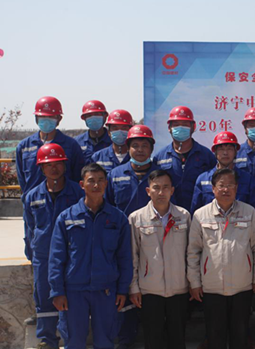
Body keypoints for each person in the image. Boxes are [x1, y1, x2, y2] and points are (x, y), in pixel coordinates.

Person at [48, 163, 132, 349]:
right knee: (74, 341)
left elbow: (125, 257)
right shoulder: (67, 218)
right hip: (74, 291)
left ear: (106, 184)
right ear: (82, 184)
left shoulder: (118, 218)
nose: (96, 185)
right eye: (91, 181)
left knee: (105, 341)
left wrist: (122, 289)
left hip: (106, 290)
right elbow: (56, 258)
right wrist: (57, 291)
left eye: (101, 180)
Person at [187, 168, 255, 349]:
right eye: (221, 185)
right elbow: (193, 252)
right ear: (213, 188)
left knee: (240, 336)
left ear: (236, 188)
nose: (226, 189)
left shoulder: (249, 212)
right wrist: (194, 282)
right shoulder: (200, 215)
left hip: (242, 285)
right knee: (215, 337)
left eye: (230, 185)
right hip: (211, 286)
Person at [23, 144, 84, 349]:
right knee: (44, 297)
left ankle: (72, 341)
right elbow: (30, 228)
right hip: (44, 256)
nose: (54, 168)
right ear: (41, 168)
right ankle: (47, 340)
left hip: (73, 256)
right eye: (49, 165)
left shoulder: (78, 193)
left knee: (72, 298)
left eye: (58, 163)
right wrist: (33, 253)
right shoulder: (32, 197)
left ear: (65, 165)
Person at [105, 124, 160, 348]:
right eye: (135, 145)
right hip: (122, 242)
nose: (140, 150)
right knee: (125, 287)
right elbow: (107, 208)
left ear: (151, 149)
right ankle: (126, 339)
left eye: (144, 145)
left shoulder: (160, 176)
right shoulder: (115, 175)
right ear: (128, 148)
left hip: (154, 242)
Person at [129, 169, 191, 349]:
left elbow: (191, 253)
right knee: (153, 340)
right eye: (156, 188)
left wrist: (193, 282)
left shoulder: (183, 216)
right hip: (150, 290)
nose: (161, 192)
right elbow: (132, 256)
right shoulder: (136, 218)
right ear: (148, 191)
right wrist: (134, 287)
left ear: (172, 190)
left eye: (166, 187)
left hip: (179, 289)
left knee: (177, 339)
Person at [16, 96, 85, 197]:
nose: (46, 120)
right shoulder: (24, 146)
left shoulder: (71, 145)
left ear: (59, 119)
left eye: (51, 117)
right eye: (42, 117)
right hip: (35, 202)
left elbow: (78, 175)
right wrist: (30, 198)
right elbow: (22, 179)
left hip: (66, 200)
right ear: (36, 118)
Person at [154, 106, 216, 212]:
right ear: (169, 128)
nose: (180, 128)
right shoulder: (160, 157)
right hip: (170, 215)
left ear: (193, 127)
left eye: (185, 124)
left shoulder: (206, 155)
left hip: (201, 214)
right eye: (176, 124)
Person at [191, 131, 255, 214]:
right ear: (215, 152)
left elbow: (254, 210)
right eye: (221, 149)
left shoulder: (247, 179)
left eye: (229, 149)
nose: (225, 153)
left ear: (235, 152)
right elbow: (196, 212)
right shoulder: (203, 179)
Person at [91, 110, 133, 174]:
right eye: (115, 128)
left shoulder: (137, 157)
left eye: (124, 128)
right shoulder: (98, 157)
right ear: (108, 132)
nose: (119, 132)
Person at [75, 100, 112, 164]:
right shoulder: (77, 142)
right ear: (84, 118)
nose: (93, 118)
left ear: (105, 117)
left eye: (97, 114)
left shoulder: (113, 141)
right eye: (89, 115)